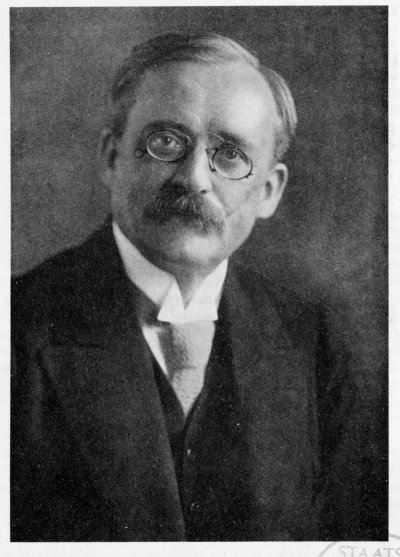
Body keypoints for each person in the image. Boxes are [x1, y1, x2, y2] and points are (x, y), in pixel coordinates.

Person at [11, 32, 386, 542]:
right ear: (111, 157)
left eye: (230, 155)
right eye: (166, 142)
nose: (194, 178)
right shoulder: (17, 328)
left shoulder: (314, 345)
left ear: (269, 191)